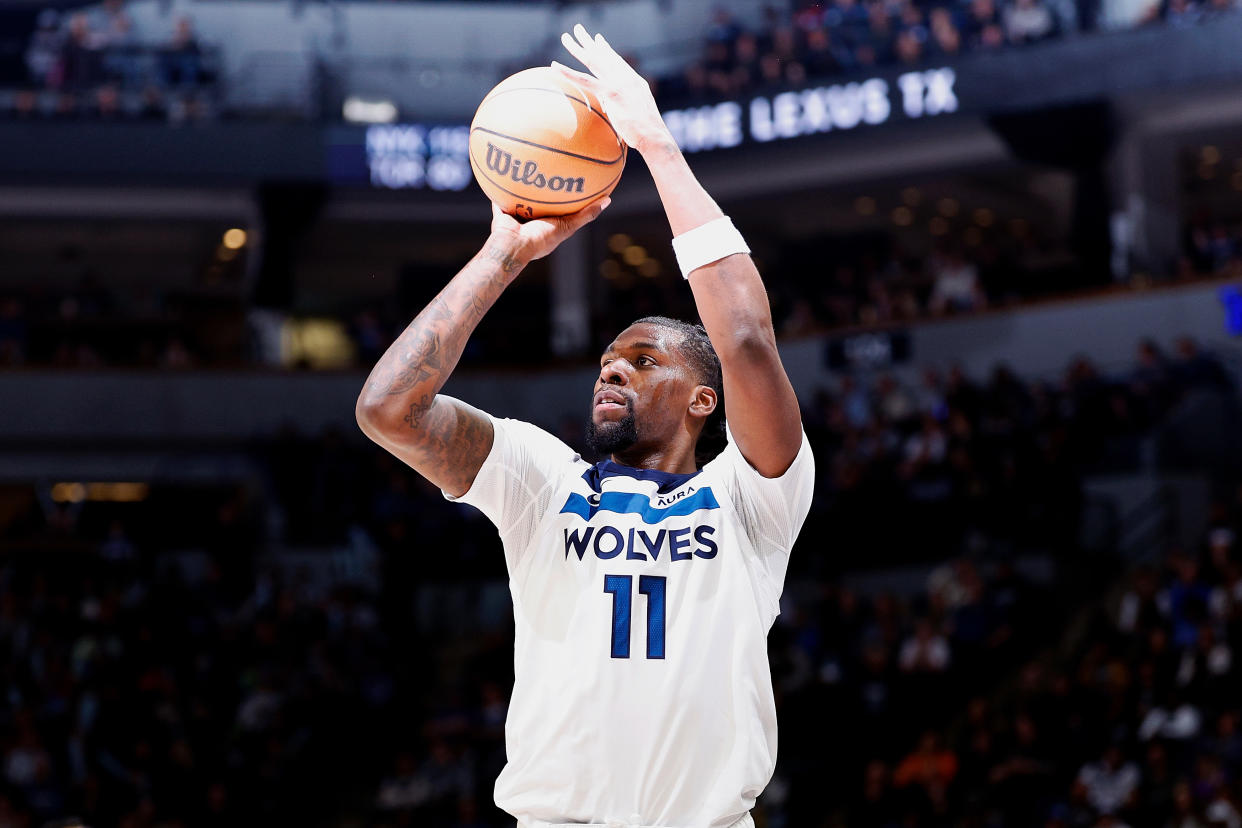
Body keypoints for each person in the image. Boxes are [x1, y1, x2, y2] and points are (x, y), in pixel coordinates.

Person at [356, 24, 814, 828]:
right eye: (607, 358)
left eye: (644, 361)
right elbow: (390, 410)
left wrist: (657, 147)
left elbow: (742, 339)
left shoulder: (752, 501)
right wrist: (506, 251)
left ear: (704, 400)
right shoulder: (542, 478)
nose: (612, 368)